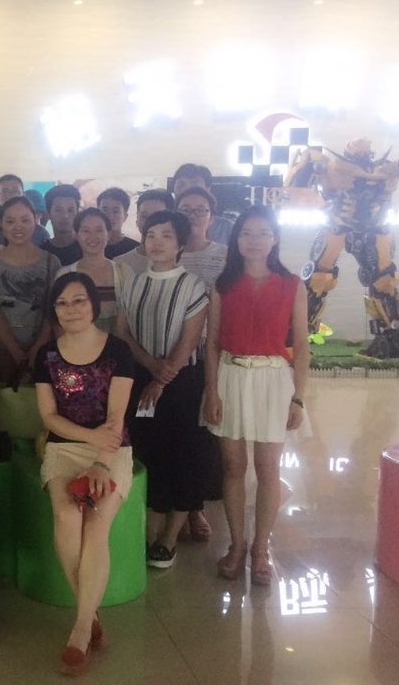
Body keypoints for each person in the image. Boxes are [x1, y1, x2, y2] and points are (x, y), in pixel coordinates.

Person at [202, 206, 309, 586]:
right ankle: (236, 545)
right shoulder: (223, 284)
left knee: (268, 469)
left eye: (263, 233)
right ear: (237, 239)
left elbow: (302, 345)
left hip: (273, 381)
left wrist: (298, 398)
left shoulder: (292, 284)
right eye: (247, 233)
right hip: (230, 377)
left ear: (275, 238)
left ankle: (261, 549)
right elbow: (212, 343)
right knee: (233, 467)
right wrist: (211, 391)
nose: (254, 240)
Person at [34, 272, 135, 677]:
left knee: (94, 525)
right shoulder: (46, 355)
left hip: (112, 449)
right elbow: (48, 417)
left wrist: (101, 462)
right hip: (63, 448)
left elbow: (116, 418)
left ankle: (79, 629)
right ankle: (90, 614)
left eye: (79, 300)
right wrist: (88, 439)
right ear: (54, 310)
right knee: (66, 514)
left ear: (94, 304)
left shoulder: (118, 351)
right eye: (62, 303)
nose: (71, 309)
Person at [116, 210, 209, 569]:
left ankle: (169, 537)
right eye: (151, 234)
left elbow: (189, 340)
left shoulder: (193, 285)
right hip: (141, 377)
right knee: (147, 453)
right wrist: (151, 368)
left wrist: (162, 378)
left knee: (182, 454)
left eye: (167, 235)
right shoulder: (134, 283)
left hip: (181, 382)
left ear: (181, 243)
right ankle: (146, 530)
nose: (157, 242)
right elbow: (123, 333)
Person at [175, 186, 229, 543]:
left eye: (200, 210)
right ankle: (185, 508)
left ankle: (197, 507)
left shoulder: (225, 257)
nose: (193, 216)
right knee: (181, 436)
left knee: (207, 438)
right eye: (186, 209)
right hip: (174, 357)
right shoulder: (169, 253)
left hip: (212, 358)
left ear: (211, 216)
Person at [0, 196, 61, 384]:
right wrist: (15, 351)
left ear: (36, 220)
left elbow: (54, 309)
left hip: (43, 348)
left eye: (25, 220)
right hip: (2, 350)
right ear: (1, 224)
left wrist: (37, 347)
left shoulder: (51, 262)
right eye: (10, 221)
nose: (18, 227)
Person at [56, 208, 128, 334]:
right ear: (76, 235)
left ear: (109, 235)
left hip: (117, 344)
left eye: (99, 230)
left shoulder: (124, 272)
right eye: (86, 231)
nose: (92, 237)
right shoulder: (65, 274)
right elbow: (59, 321)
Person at [113, 189, 175, 275]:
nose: (149, 222)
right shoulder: (120, 263)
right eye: (144, 216)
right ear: (137, 219)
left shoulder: (180, 262)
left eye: (157, 217)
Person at [172, 163, 233, 245]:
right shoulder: (165, 225)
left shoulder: (226, 229)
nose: (188, 189)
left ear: (208, 189)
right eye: (181, 185)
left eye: (195, 185)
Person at [0, 174, 50, 247]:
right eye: (5, 192)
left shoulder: (39, 233)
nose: (10, 196)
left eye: (15, 192)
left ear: (24, 196)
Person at [41, 184, 84, 267]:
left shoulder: (86, 248)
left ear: (77, 213)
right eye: (58, 210)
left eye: (70, 210)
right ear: (48, 214)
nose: (65, 216)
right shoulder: (41, 254)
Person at [97, 187, 140, 259]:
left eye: (116, 211)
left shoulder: (135, 249)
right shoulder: (90, 245)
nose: (110, 216)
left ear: (125, 216)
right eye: (104, 210)